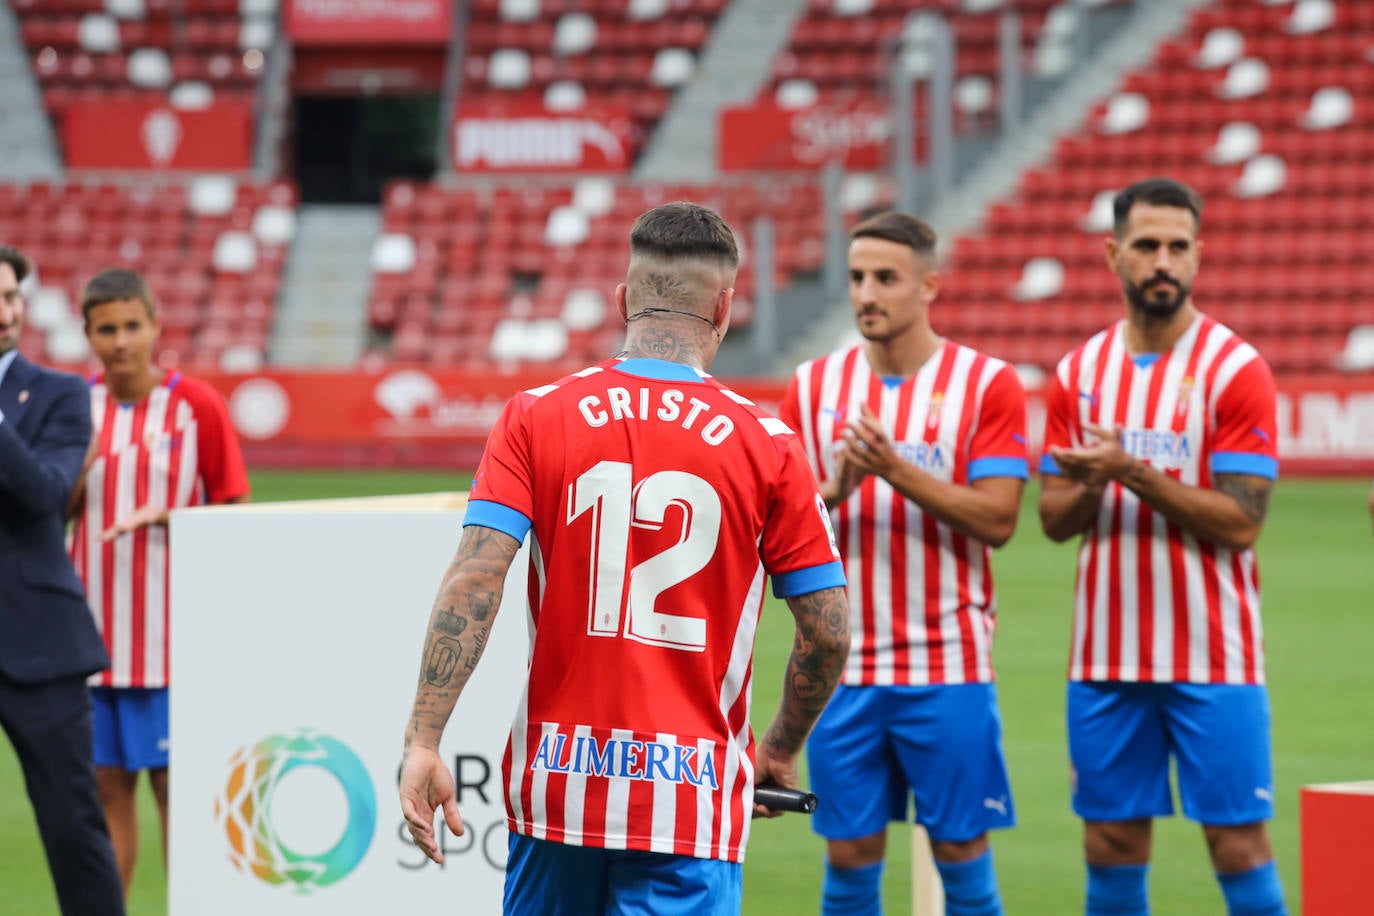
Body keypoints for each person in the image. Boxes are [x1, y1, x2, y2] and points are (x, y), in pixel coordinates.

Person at [399, 201, 851, 915]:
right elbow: (828, 631)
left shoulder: (534, 415)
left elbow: (476, 576)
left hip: (557, 789)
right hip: (691, 801)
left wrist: (424, 738)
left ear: (622, 301)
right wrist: (776, 746)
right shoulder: (771, 446)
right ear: (726, 309)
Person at [1037, 177, 1287, 916]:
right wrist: (1090, 485)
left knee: (1238, 842)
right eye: (1147, 245)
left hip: (1216, 654)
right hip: (1105, 658)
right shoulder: (1079, 375)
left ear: (1199, 257)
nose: (1163, 261)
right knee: (1111, 842)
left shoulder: (1236, 370)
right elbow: (1053, 521)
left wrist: (1130, 471)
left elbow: (1242, 521)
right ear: (1115, 254)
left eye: (1179, 246)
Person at [781, 210, 1028, 916]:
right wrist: (834, 490)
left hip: (948, 664)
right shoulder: (813, 387)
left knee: (961, 856)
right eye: (857, 277)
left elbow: (1000, 519)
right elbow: (784, 530)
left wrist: (893, 468)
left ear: (929, 287)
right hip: (842, 671)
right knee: (850, 862)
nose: (867, 293)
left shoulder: (987, 384)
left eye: (886, 278)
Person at [67, 268, 250, 898]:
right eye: (106, 329)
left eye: (132, 326)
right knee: (106, 790)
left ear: (154, 325)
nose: (121, 341)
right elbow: (45, 514)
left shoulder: (196, 405)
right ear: (88, 334)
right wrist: (77, 471)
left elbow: (234, 511)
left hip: (171, 642)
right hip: (90, 639)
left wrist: (173, 517)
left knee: (176, 790)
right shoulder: (74, 407)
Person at [0, 245, 127, 915]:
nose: (4, 313)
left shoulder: (60, 393)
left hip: (38, 644)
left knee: (74, 826)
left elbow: (47, 494)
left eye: (11, 296)